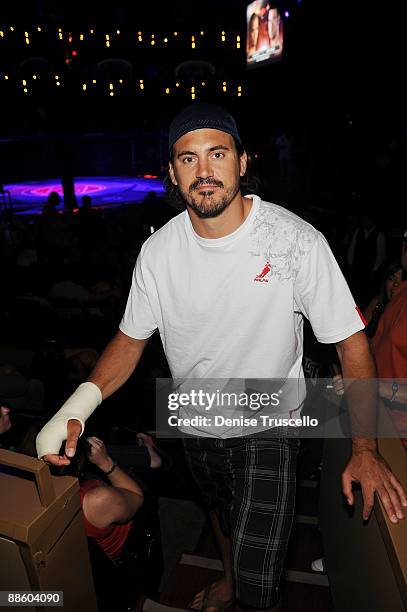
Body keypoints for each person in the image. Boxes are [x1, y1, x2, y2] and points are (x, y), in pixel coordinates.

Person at [36, 103, 407, 612]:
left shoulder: (294, 241)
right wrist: (74, 407)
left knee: (260, 588)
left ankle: (245, 587)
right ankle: (231, 578)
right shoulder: (158, 252)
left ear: (242, 161)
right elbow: (129, 340)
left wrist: (365, 446)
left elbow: (351, 341)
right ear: (171, 172)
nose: (204, 171)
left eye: (217, 154)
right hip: (195, 416)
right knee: (220, 511)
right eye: (188, 159)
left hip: (270, 421)